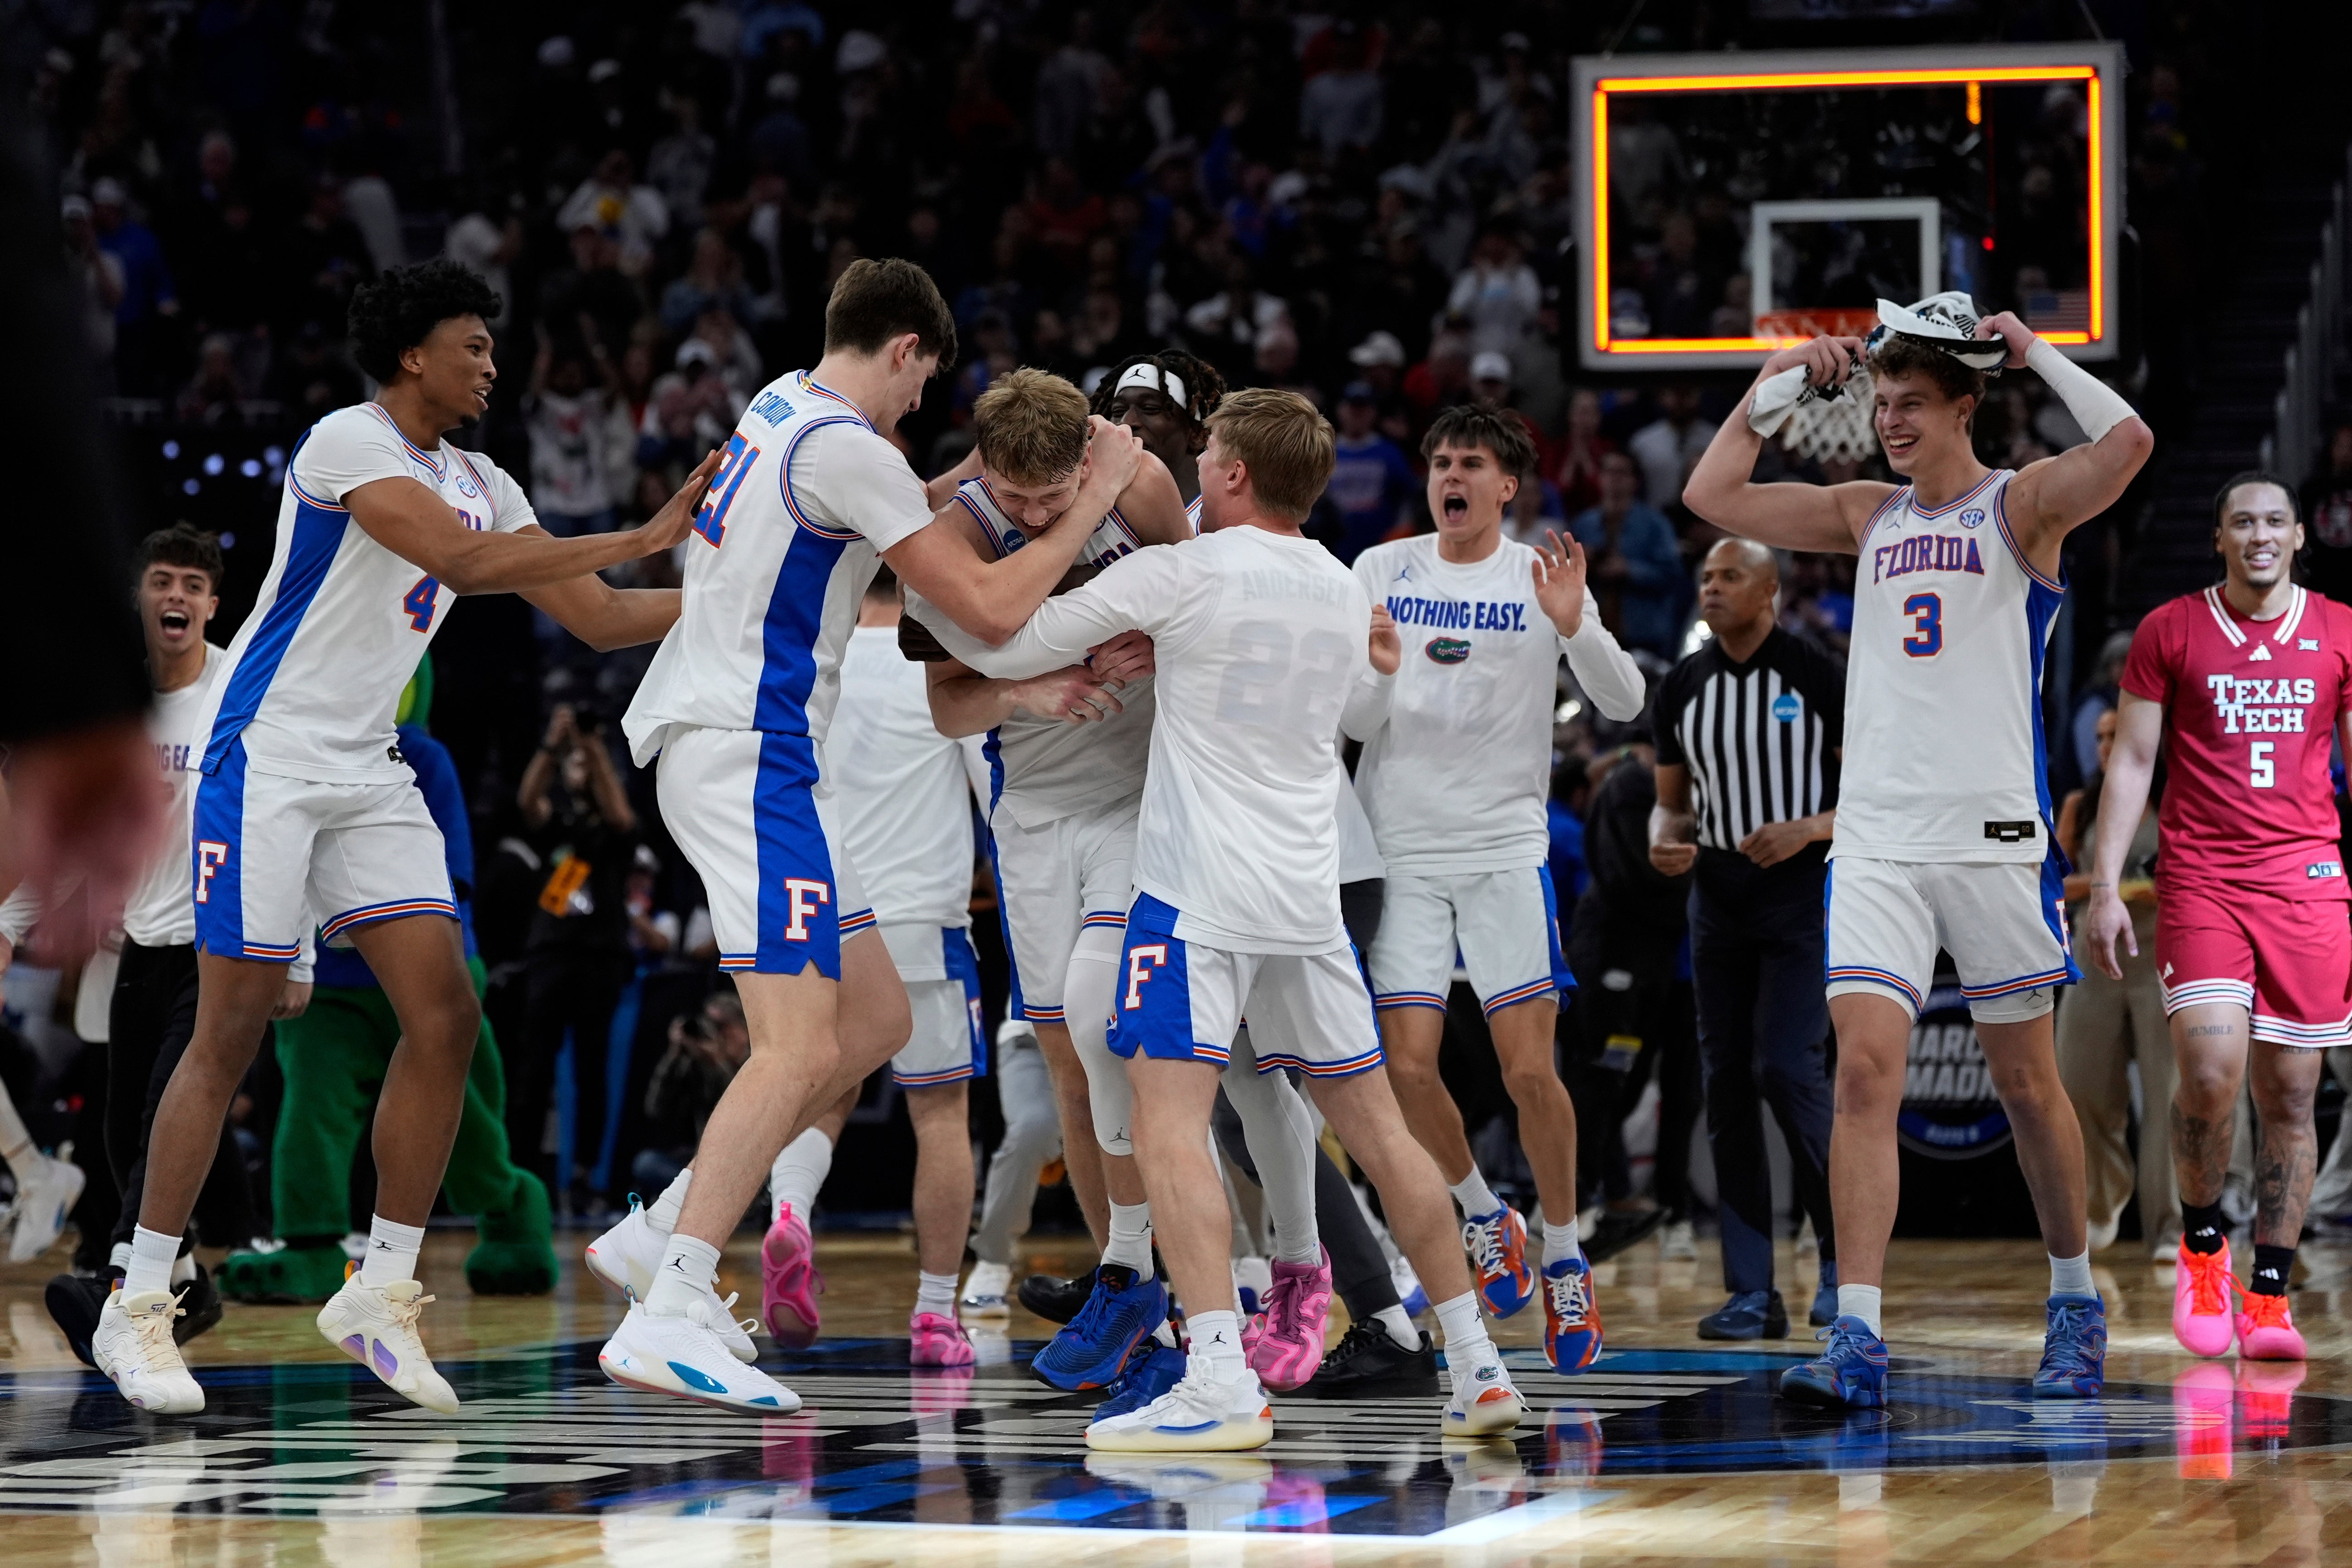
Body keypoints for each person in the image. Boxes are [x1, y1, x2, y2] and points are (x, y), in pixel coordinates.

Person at [92, 259, 720, 1418]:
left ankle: (380, 1290)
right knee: (228, 1028)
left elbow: (598, 617)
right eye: (472, 344)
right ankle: (135, 1301)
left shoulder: (486, 479)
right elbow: (464, 564)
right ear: (411, 354)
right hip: (269, 754)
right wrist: (640, 528)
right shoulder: (348, 441)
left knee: (447, 1015)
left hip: (366, 765)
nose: (491, 364)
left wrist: (734, 605)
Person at [585, 259, 1147, 1413]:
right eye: (923, 382)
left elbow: (892, 505)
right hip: (752, 750)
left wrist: (979, 472)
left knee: (877, 1018)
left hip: (748, 750)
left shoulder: (781, 403)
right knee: (795, 1047)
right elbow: (989, 607)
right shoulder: (850, 448)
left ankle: (660, 1227)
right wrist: (1097, 494)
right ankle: (672, 1302)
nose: (919, 404)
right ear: (904, 348)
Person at [925, 387, 1526, 1451]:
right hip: (1306, 895)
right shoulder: (1340, 584)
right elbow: (1349, 704)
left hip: (1196, 894)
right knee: (1380, 1132)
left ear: (1236, 474)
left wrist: (980, 575)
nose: (1192, 464)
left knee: (1168, 1125)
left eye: (1206, 451)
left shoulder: (1184, 572)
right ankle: (1478, 1364)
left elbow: (1004, 637)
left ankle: (1216, 1374)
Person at [1683, 292, 2155, 1406]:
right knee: (1859, 1074)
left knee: (2028, 1085)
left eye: (1910, 404)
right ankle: (1856, 1332)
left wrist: (2035, 349)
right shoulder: (1866, 512)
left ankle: (2074, 1300)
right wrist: (1781, 382)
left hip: (1991, 836)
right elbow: (1713, 495)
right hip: (1879, 839)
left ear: (1962, 406)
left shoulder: (2022, 504)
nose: (1890, 420)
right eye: (1882, 401)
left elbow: (2130, 442)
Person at [909, 368, 1333, 1397]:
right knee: (1074, 1054)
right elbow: (947, 704)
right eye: (1014, 498)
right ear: (985, 472)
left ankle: (1191, 1267)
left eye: (1052, 496)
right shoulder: (956, 529)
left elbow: (1206, 610)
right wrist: (1023, 689)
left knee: (1127, 1027)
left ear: (1083, 462)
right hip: (1030, 814)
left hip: (1146, 803)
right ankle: (1142, 1285)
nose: (1032, 514)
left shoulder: (1139, 487)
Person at [1347, 403, 1645, 1372]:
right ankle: (1484, 1214)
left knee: (1527, 1073)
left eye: (1470, 462)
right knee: (1405, 1068)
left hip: (1502, 848)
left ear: (1506, 485)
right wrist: (1376, 677)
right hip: (1399, 847)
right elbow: (1351, 716)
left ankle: (1561, 1251)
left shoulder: (1538, 574)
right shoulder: (1379, 569)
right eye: (1439, 460)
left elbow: (1625, 701)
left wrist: (1575, 625)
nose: (1451, 475)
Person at [2083, 472, 2352, 1362]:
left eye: (2274, 520)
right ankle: (2202, 1244)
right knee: (2205, 1072)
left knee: (2291, 1093)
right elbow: (2130, 762)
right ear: (2218, 538)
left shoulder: (2339, 630)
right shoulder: (2170, 629)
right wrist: (2102, 883)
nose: (2258, 534)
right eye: (2241, 521)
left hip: (2305, 881)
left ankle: (2267, 1293)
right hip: (2201, 877)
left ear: (2298, 535)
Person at [38, 527, 307, 1359]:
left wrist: (298, 950)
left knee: (165, 1110)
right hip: (140, 942)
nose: (178, 596)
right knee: (121, 1129)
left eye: (194, 584)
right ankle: (190, 1283)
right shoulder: (116, 700)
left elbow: (293, 813)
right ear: (141, 597)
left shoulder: (242, 690)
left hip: (222, 943)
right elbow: (73, 815)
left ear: (214, 605)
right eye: (163, 580)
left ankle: (126, 1283)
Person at [764, 567, 989, 1367]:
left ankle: (791, 1213)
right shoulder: (943, 656)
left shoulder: (812, 655)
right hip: (923, 913)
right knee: (941, 1114)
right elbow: (995, 792)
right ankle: (934, 1312)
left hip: (826, 910)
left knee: (821, 1090)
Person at [1648, 538, 1843, 1338]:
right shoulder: (1680, 685)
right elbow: (1671, 803)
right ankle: (1750, 1290)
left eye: (1729, 575)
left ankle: (1843, 1263)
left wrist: (1805, 828)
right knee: (1724, 1081)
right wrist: (1664, 839)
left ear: (1768, 590)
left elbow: (1873, 793)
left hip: (1800, 891)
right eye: (1705, 576)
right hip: (1717, 896)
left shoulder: (1816, 672)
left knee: (1787, 1067)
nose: (1711, 586)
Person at [511, 702, 640, 1216]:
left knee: (592, 1068)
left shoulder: (612, 829)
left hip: (599, 956)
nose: (580, 769)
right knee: (534, 1067)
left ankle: (586, 1174)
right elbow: (528, 800)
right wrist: (553, 743)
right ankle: (524, 1172)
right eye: (575, 764)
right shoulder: (556, 824)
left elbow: (621, 815)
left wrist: (592, 746)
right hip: (550, 954)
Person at [2053, 706, 2171, 1256]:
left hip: (2161, 952)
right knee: (2079, 1085)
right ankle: (2098, 1206)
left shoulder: (2175, 799)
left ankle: (2171, 1226)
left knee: (2170, 1095)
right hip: (2094, 951)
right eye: (2100, 736)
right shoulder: (2079, 804)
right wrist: (2114, 888)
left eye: (2114, 735)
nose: (2104, 745)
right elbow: (2052, 882)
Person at [1569, 451, 1687, 660]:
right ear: (1600, 478)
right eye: (1609, 472)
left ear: (1635, 481)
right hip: (1592, 632)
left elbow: (1673, 574)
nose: (1614, 479)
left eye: (1622, 473)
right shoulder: (1583, 525)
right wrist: (1580, 565)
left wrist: (1629, 570)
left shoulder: (1655, 525)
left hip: (1643, 634)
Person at [1091, 350, 1228, 509]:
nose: (1126, 422)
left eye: (1150, 409)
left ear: (1199, 434)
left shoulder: (1231, 516)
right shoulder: (1087, 508)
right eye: (1118, 412)